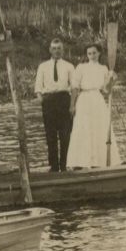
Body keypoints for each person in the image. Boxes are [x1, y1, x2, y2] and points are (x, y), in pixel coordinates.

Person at [66, 43, 117, 169]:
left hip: (98, 100)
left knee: (99, 128)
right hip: (84, 100)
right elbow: (75, 87)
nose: (92, 56)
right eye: (89, 53)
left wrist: (112, 80)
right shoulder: (81, 67)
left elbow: (106, 90)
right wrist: (72, 105)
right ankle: (81, 162)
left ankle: (100, 162)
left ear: (99, 53)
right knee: (83, 129)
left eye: (94, 53)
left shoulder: (104, 68)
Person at [34, 37, 75, 171]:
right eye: (54, 48)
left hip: (64, 99)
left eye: (59, 49)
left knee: (65, 135)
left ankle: (64, 165)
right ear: (50, 50)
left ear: (63, 50)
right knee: (50, 135)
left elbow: (74, 87)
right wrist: (42, 100)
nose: (57, 51)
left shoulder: (69, 66)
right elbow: (38, 87)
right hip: (49, 101)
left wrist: (72, 105)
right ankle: (54, 166)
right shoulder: (43, 66)